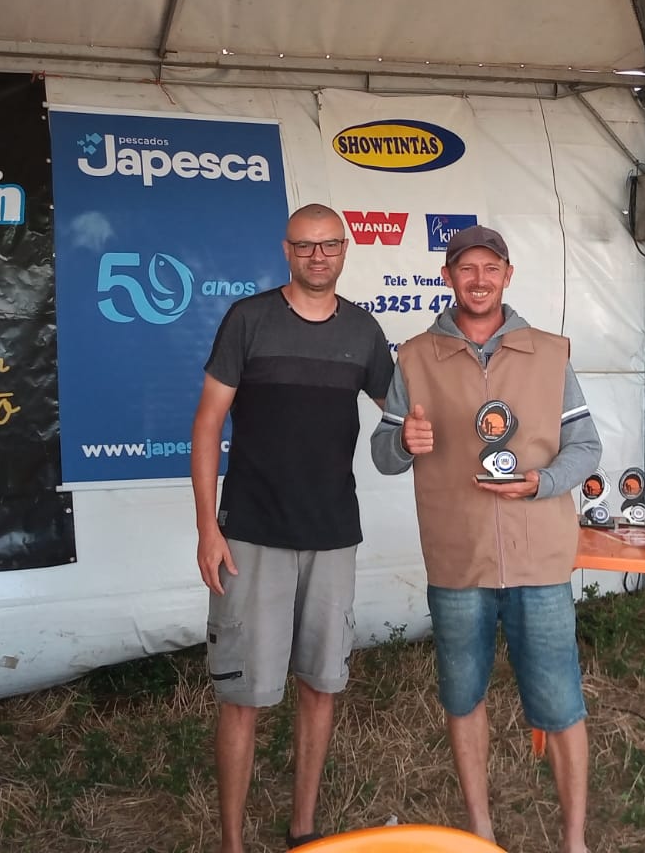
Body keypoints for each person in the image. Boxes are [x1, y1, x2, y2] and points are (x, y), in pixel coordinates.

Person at [370, 225, 599, 853]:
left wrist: (542, 482)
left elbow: (586, 446)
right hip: (458, 559)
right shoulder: (416, 357)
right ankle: (481, 831)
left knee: (560, 703)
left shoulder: (549, 353)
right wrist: (402, 441)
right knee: (463, 696)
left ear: (507, 275)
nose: (478, 280)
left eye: (490, 268)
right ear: (448, 277)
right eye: (466, 268)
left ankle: (574, 840)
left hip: (538, 560)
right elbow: (383, 455)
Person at [191, 202, 394, 852]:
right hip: (251, 532)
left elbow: (403, 413)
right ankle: (232, 841)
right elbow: (206, 425)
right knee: (242, 696)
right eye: (305, 245)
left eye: (328, 244)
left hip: (332, 534)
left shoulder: (363, 330)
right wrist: (207, 528)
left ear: (344, 249)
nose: (317, 256)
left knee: (321, 685)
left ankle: (304, 829)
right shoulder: (248, 319)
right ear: (286, 251)